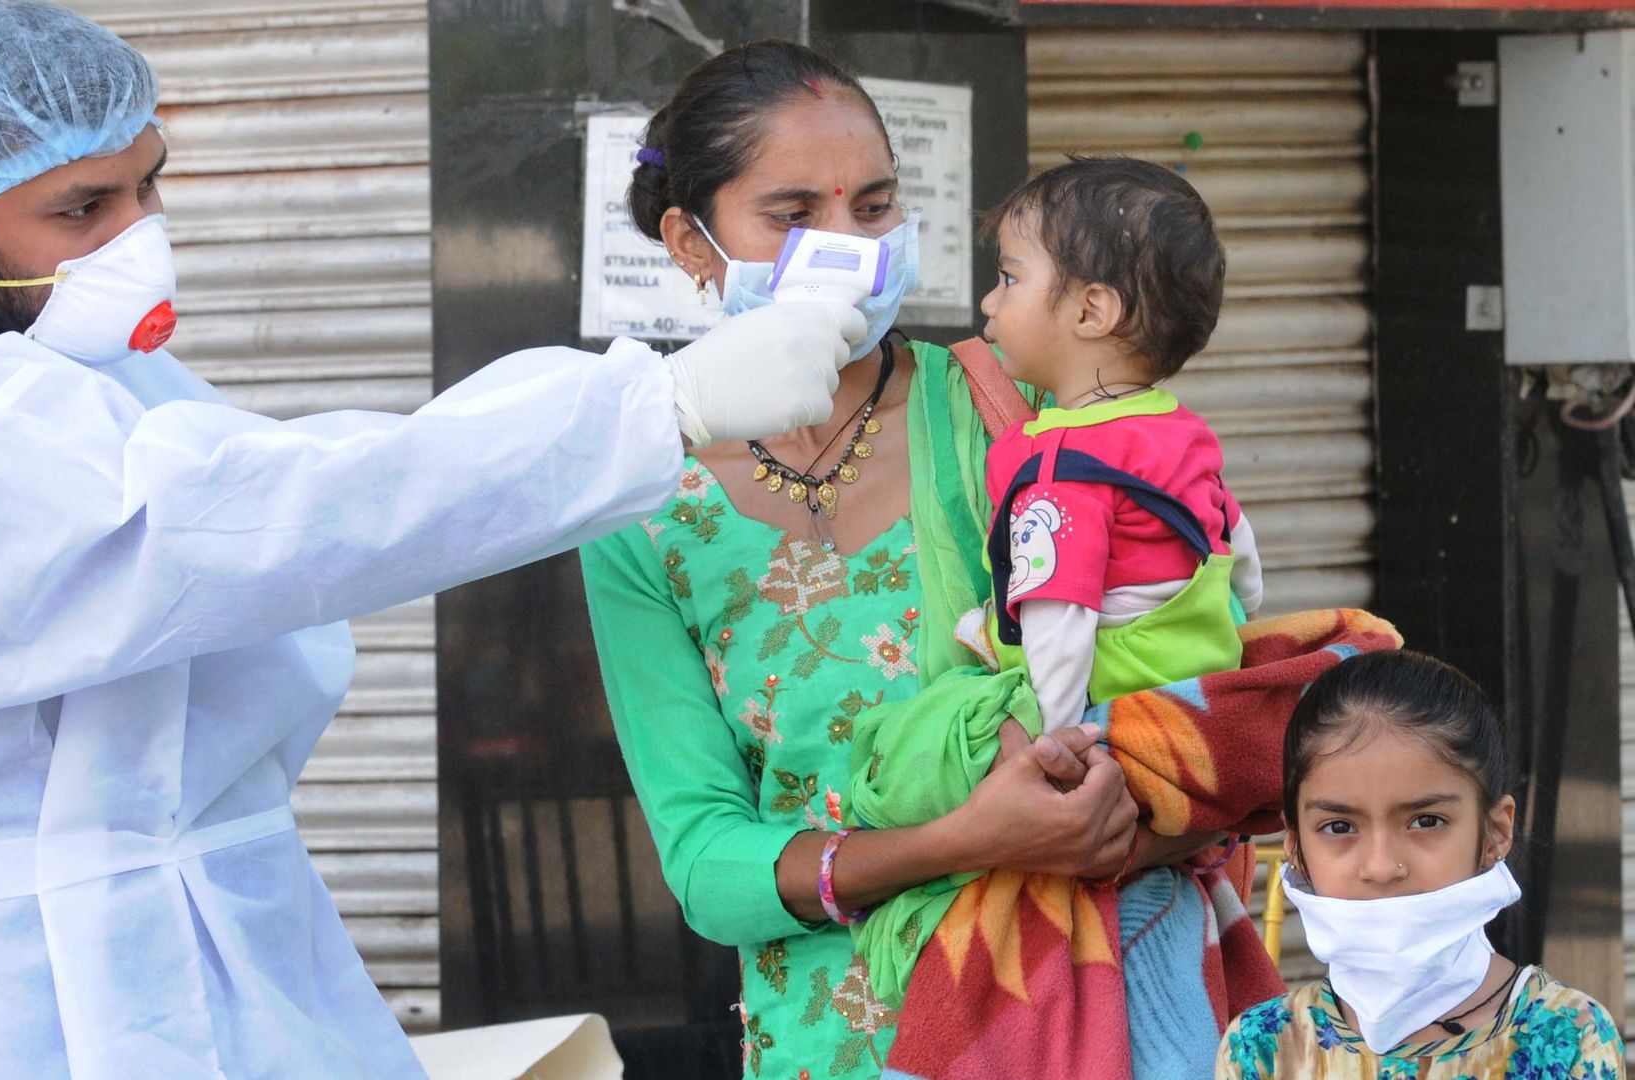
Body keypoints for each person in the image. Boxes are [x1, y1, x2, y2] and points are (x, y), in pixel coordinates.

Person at [0, 3, 871, 1078]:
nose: (139, 237)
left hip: (200, 941)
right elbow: (277, 519)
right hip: (40, 998)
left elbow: (297, 490)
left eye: (149, 187)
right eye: (83, 209)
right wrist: (652, 410)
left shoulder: (65, 373)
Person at [580, 42, 1216, 1079]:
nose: (849, 244)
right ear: (691, 245)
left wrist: (1113, 816)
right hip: (825, 1039)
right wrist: (965, 839)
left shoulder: (1011, 413)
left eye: (873, 207)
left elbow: (1184, 677)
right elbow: (706, 862)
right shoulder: (640, 503)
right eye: (794, 216)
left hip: (1069, 1016)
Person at [960, 156, 1264, 734]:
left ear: (1091, 310)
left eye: (1009, 279)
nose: (989, 303)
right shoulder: (1176, 425)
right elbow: (1234, 542)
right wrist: (1246, 616)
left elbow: (1059, 615)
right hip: (1195, 682)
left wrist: (1055, 738)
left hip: (1117, 710)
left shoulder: (1056, 465)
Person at [1216, 650, 1625, 1078]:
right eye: (1339, 827)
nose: (1381, 866)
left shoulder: (1567, 1035)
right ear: (1296, 846)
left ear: (1496, 833)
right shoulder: (1262, 1047)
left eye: (1426, 821)